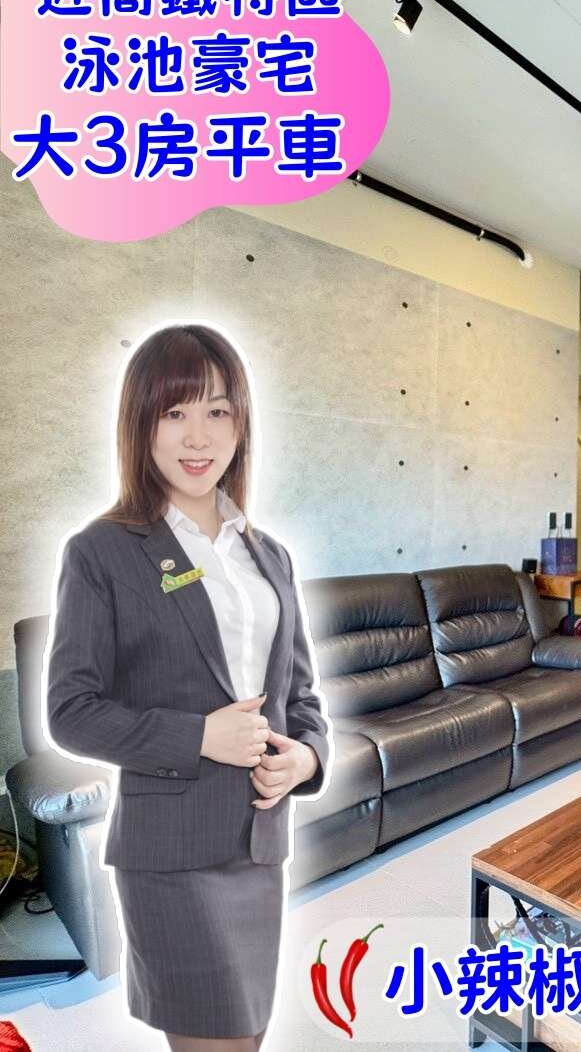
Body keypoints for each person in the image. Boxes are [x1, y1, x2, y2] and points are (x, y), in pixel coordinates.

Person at [44, 324, 331, 1051]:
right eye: (174, 412)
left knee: (250, 1035)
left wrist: (305, 759)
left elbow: (301, 698)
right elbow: (71, 711)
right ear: (141, 424)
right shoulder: (102, 552)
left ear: (241, 423)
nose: (197, 436)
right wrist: (199, 735)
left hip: (259, 845)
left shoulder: (271, 557)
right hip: (169, 853)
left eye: (216, 410)